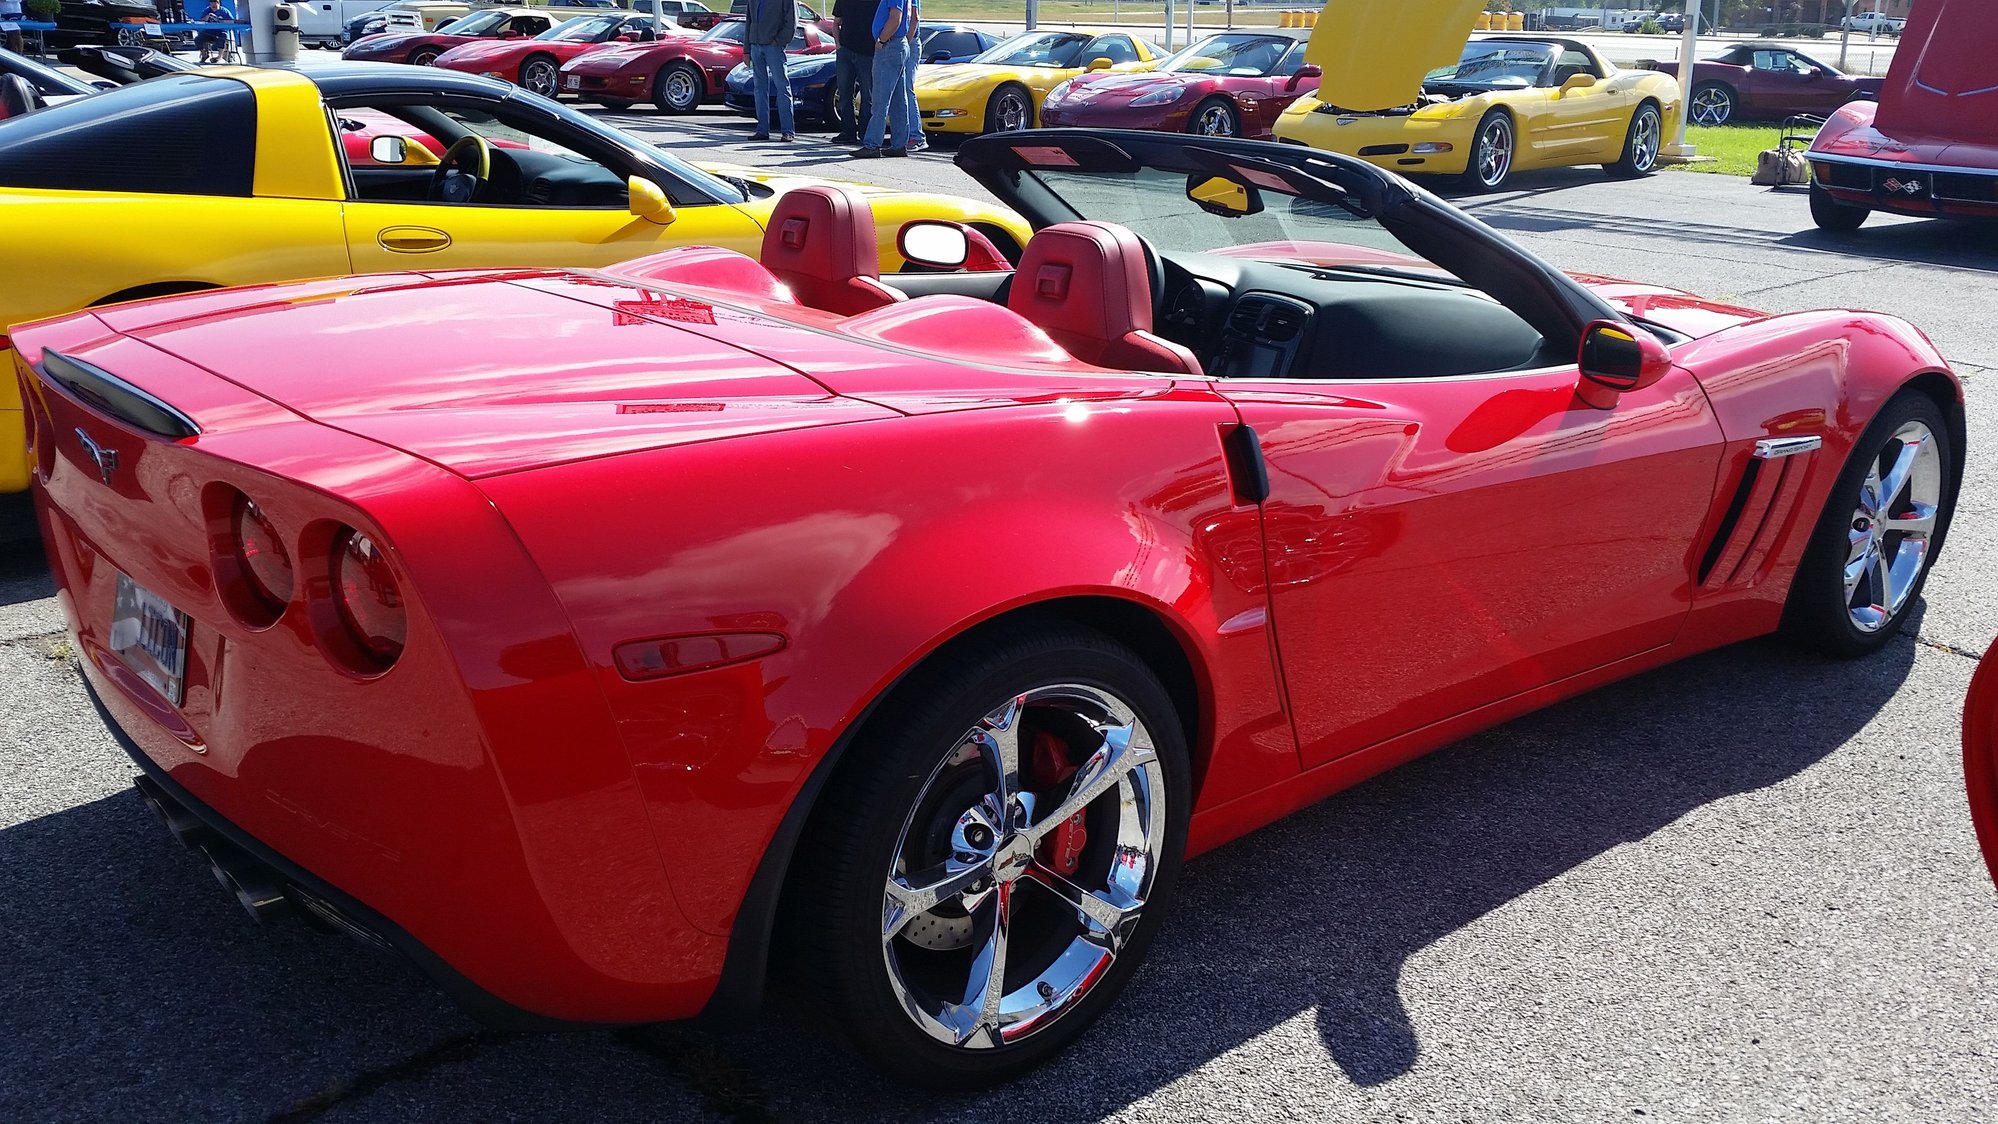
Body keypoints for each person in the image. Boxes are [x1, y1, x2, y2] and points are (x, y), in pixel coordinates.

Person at [854, 0, 909, 158]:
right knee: (899, 100)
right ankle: (899, 144)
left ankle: (872, 144)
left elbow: (895, 18)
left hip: (889, 46)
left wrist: (881, 40)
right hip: (898, 45)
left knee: (880, 99)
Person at [744, 0, 796, 142]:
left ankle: (787, 131)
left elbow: (790, 22)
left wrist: (779, 41)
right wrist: (746, 50)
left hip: (774, 47)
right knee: (759, 89)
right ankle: (762, 130)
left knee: (782, 88)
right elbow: (749, 21)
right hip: (756, 46)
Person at [829, 0, 876, 145]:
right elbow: (836, 22)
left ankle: (865, 132)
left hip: (867, 53)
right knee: (844, 93)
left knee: (867, 94)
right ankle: (848, 131)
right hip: (845, 51)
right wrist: (838, 45)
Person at [900, 0, 924, 152]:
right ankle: (903, 135)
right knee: (899, 90)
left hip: (910, 43)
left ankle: (917, 136)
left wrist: (905, 42)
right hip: (901, 42)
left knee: (907, 89)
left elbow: (914, 18)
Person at [195, 0, 235, 64]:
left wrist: (222, 21)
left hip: (221, 31)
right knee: (198, 39)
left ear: (218, 3)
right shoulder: (206, 10)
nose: (214, 5)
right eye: (212, 3)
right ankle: (204, 54)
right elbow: (201, 20)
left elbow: (232, 21)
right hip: (209, 32)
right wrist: (207, 16)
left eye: (215, 3)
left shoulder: (225, 11)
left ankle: (219, 57)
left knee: (223, 37)